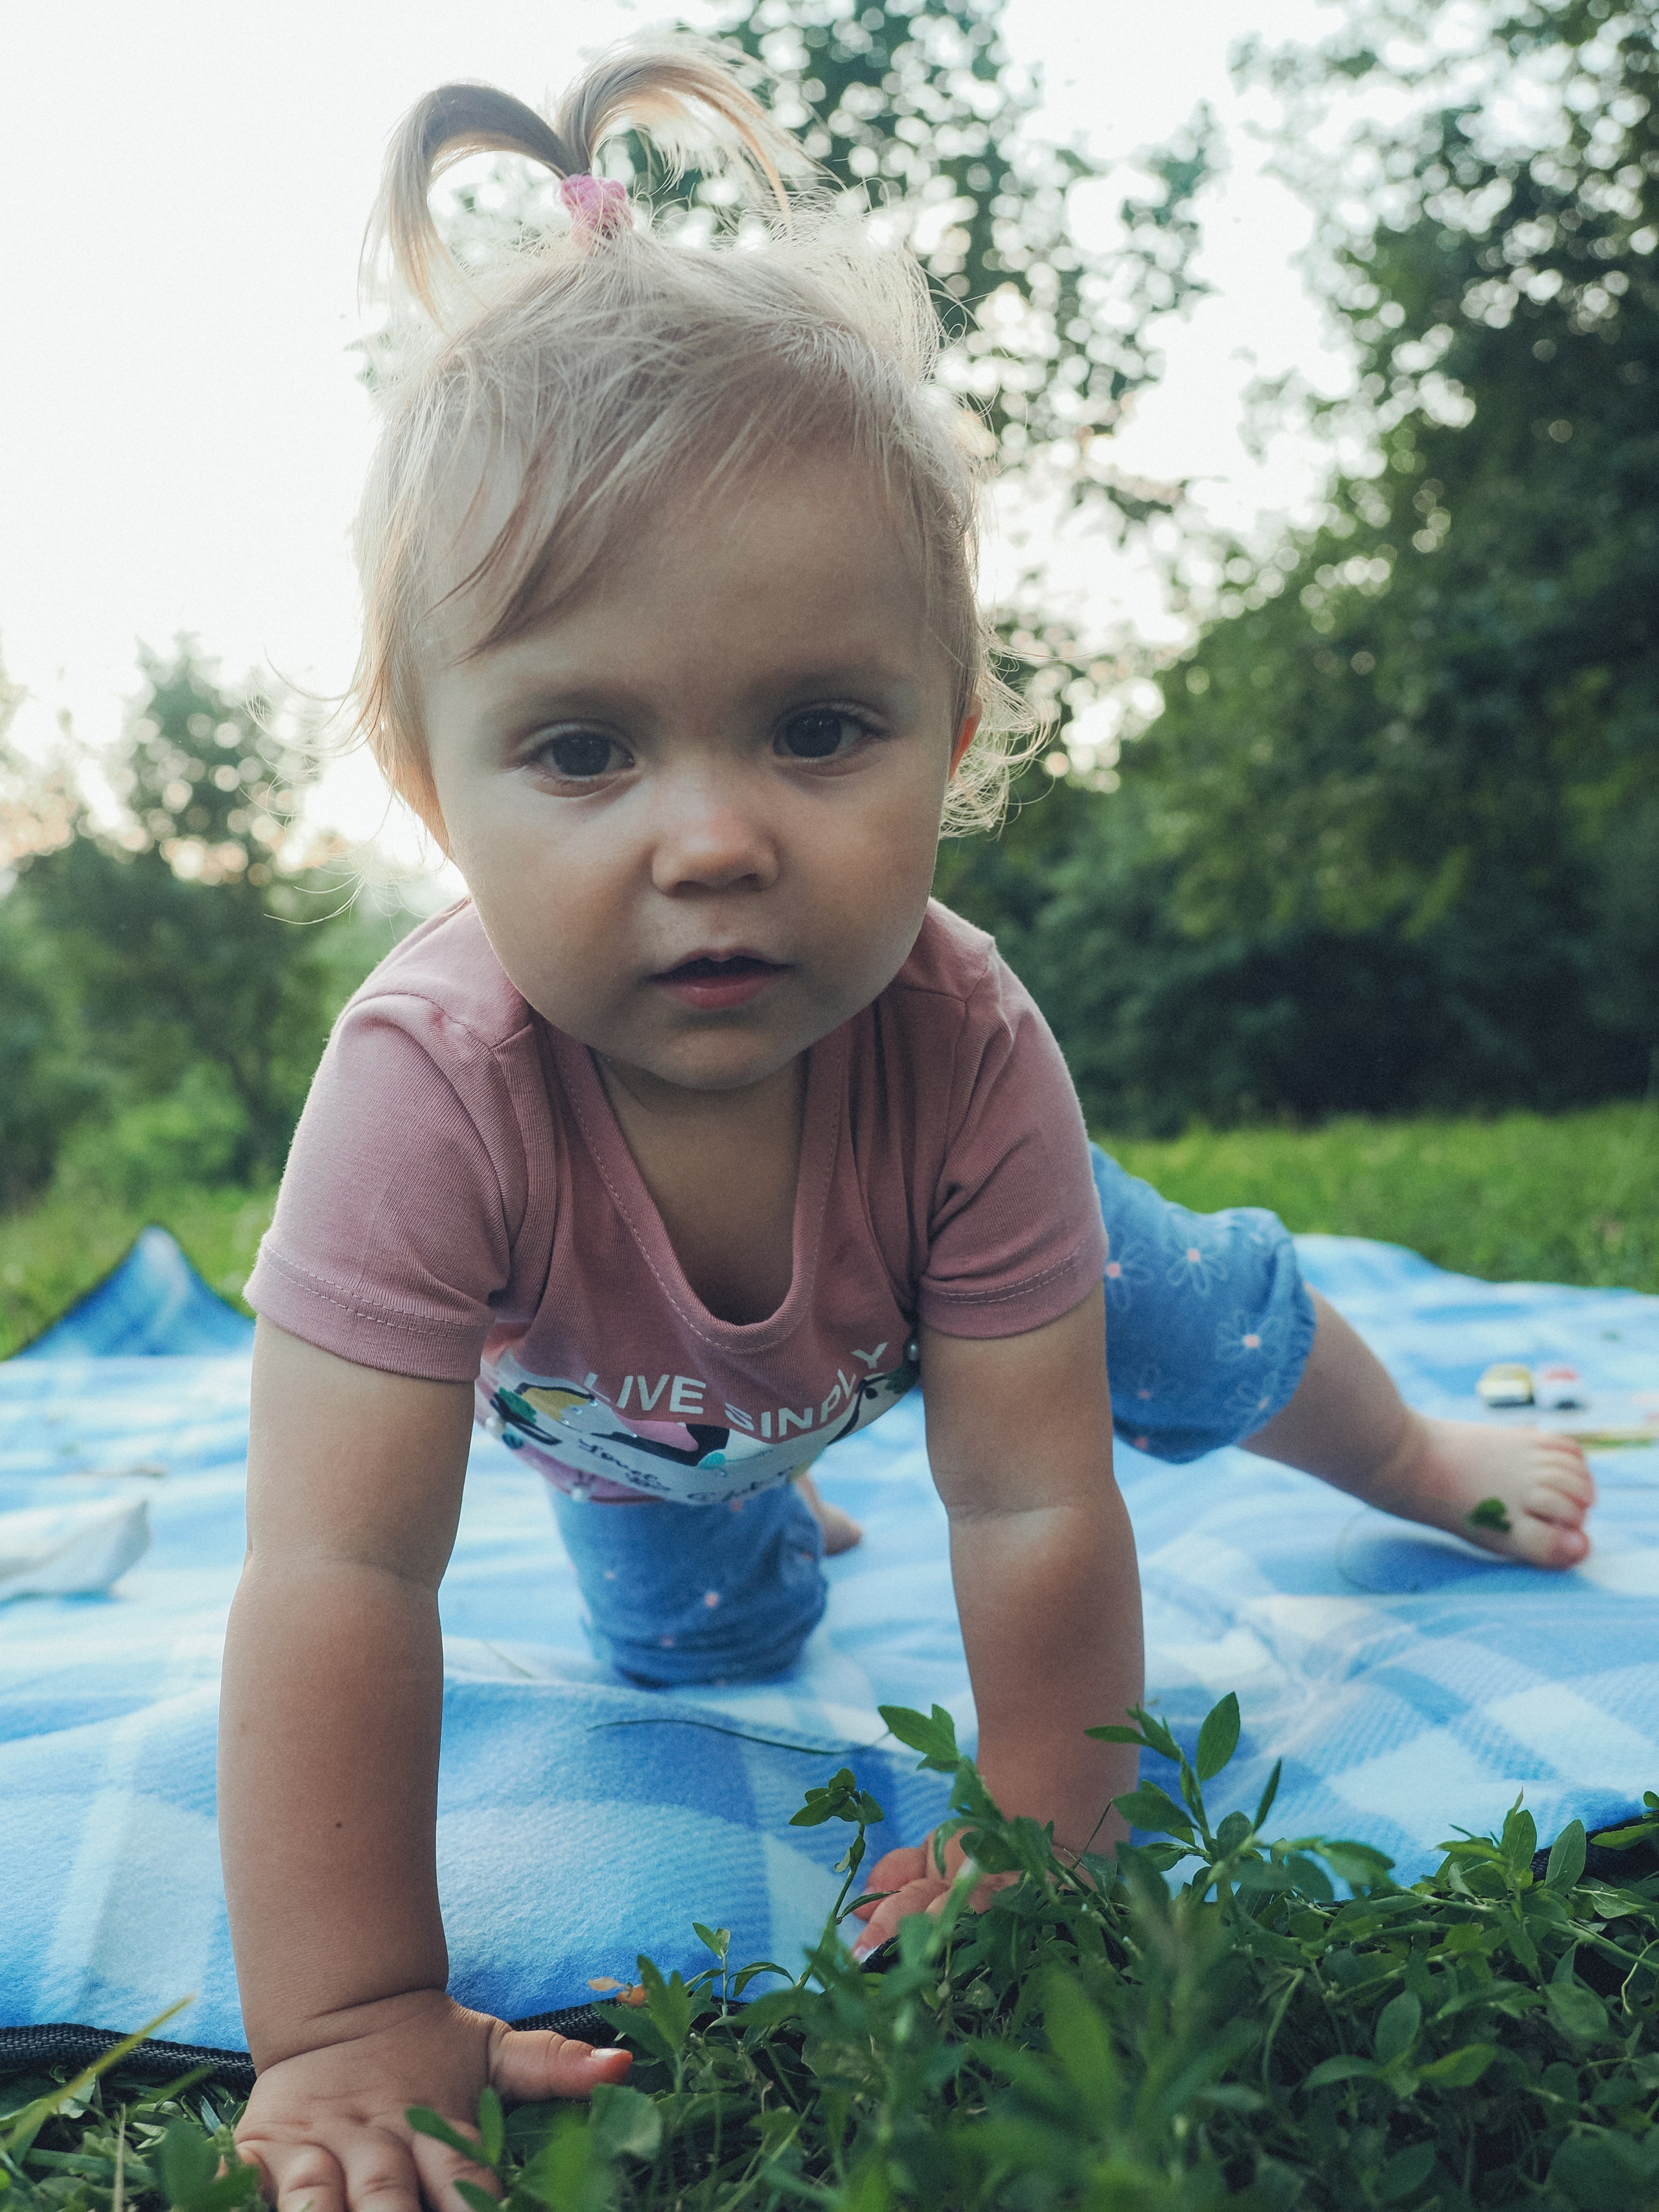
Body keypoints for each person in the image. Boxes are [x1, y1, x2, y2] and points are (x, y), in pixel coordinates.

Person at [221, 43, 1594, 2211]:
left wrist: (1047, 1831)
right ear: (429, 783)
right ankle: (781, 1512)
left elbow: (1037, 1508)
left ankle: (1413, 1450)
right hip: (623, 1423)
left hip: (960, 1299)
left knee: (1197, 1315)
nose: (712, 839)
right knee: (702, 1643)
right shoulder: (425, 1095)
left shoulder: (962, 1040)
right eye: (581, 748)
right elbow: (333, 1566)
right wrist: (350, 2011)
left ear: (950, 736)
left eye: (817, 729)